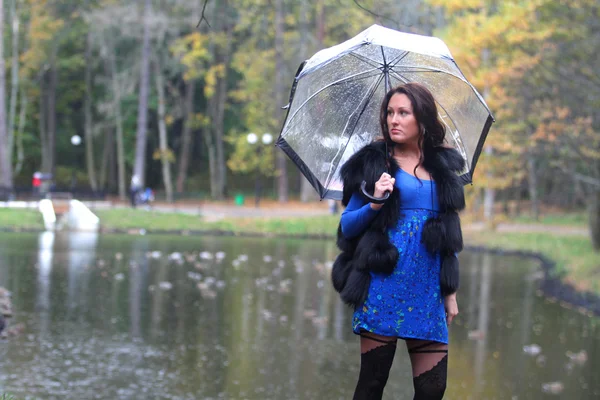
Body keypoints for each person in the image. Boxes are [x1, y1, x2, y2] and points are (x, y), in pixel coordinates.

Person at [331, 83, 466, 400]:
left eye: (403, 113)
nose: (394, 119)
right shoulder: (374, 163)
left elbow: (449, 239)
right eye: (390, 112)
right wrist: (375, 200)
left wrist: (450, 293)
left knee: (434, 389)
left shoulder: (443, 168)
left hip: (427, 291)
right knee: (372, 385)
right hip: (383, 285)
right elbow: (347, 226)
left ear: (422, 119)